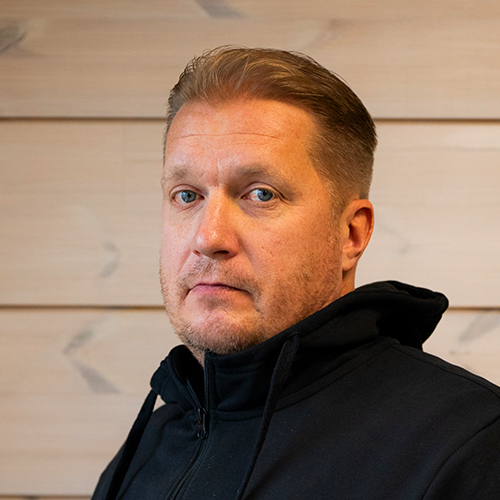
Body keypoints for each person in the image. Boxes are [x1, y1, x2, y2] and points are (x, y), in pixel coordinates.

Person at [92, 47, 500, 500]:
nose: (208, 237)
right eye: (187, 195)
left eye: (261, 194)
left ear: (350, 234)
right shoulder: (151, 444)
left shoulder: (469, 445)